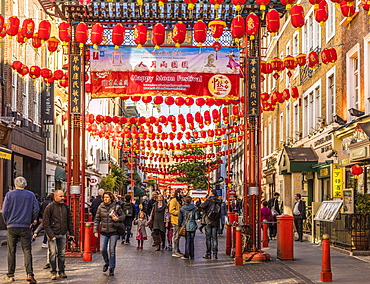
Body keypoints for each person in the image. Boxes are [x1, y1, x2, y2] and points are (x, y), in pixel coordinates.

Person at [2, 177, 39, 284]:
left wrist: (7, 221)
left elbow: (4, 210)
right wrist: (33, 219)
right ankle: (29, 274)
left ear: (15, 184)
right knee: (27, 250)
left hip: (12, 226)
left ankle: (10, 275)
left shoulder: (9, 194)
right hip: (25, 226)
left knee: (11, 251)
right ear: (25, 184)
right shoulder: (31, 195)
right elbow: (36, 209)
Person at [43, 190, 75, 280]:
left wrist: (71, 233)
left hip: (62, 233)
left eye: (63, 196)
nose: (63, 198)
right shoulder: (50, 207)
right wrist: (51, 235)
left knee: (61, 254)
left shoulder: (66, 207)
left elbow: (69, 221)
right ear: (55, 197)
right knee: (53, 253)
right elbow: (46, 223)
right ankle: (53, 272)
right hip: (53, 233)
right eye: (61, 196)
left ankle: (61, 271)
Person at [94, 191, 125, 276]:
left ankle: (112, 268)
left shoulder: (116, 206)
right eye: (104, 198)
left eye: (107, 197)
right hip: (104, 231)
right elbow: (97, 219)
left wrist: (117, 218)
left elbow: (123, 216)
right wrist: (95, 230)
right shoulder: (101, 207)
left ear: (111, 198)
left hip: (113, 231)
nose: (106, 199)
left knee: (112, 250)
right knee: (103, 249)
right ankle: (106, 262)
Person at [200, 189, 221, 259]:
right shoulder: (219, 201)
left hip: (208, 221)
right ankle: (215, 254)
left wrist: (207, 199)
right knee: (214, 238)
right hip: (215, 221)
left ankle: (208, 254)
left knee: (208, 238)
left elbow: (202, 206)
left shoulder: (209, 200)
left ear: (211, 194)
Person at [178, 196, 199, 260]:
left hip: (185, 225)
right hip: (192, 225)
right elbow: (196, 217)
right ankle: (192, 255)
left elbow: (180, 218)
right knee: (192, 241)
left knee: (187, 240)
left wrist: (180, 225)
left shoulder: (182, 209)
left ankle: (186, 255)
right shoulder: (194, 208)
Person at [169, 189, 183, 257]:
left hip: (180, 221)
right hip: (175, 220)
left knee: (178, 236)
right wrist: (179, 212)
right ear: (178, 193)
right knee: (175, 236)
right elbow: (171, 210)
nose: (182, 193)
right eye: (181, 192)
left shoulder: (180, 200)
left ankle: (177, 249)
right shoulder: (174, 200)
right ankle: (174, 251)